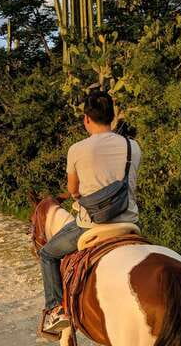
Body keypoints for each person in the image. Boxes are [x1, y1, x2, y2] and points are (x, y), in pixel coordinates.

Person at [40, 90, 142, 333]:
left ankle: (55, 310)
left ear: (86, 119)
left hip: (91, 225)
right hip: (129, 221)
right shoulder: (133, 146)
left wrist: (78, 194)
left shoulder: (77, 149)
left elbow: (73, 190)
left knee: (47, 254)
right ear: (113, 116)